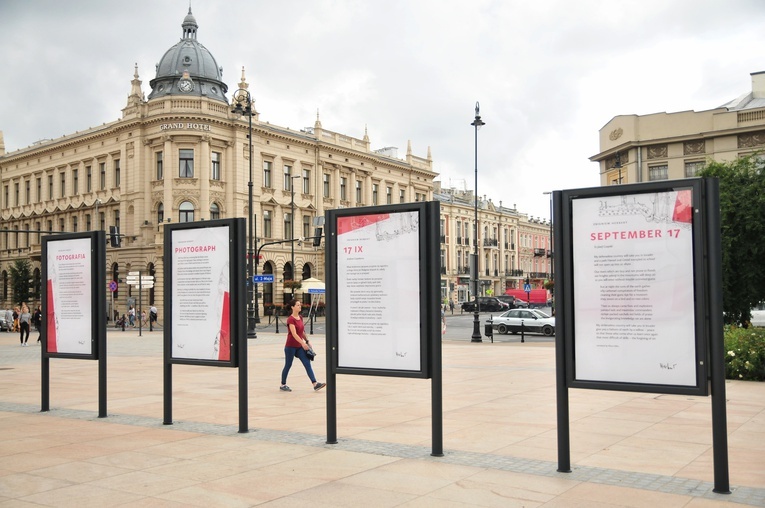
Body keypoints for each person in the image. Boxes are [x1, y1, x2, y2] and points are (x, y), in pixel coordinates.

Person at [280, 299, 325, 392]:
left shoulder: (300, 317)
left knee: (307, 363)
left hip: (299, 346)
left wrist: (307, 341)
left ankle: (315, 384)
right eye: (297, 305)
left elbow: (302, 332)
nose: (299, 306)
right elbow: (294, 334)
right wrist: (303, 343)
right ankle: (283, 384)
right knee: (288, 364)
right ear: (292, 307)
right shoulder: (290, 319)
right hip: (290, 346)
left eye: (300, 305)